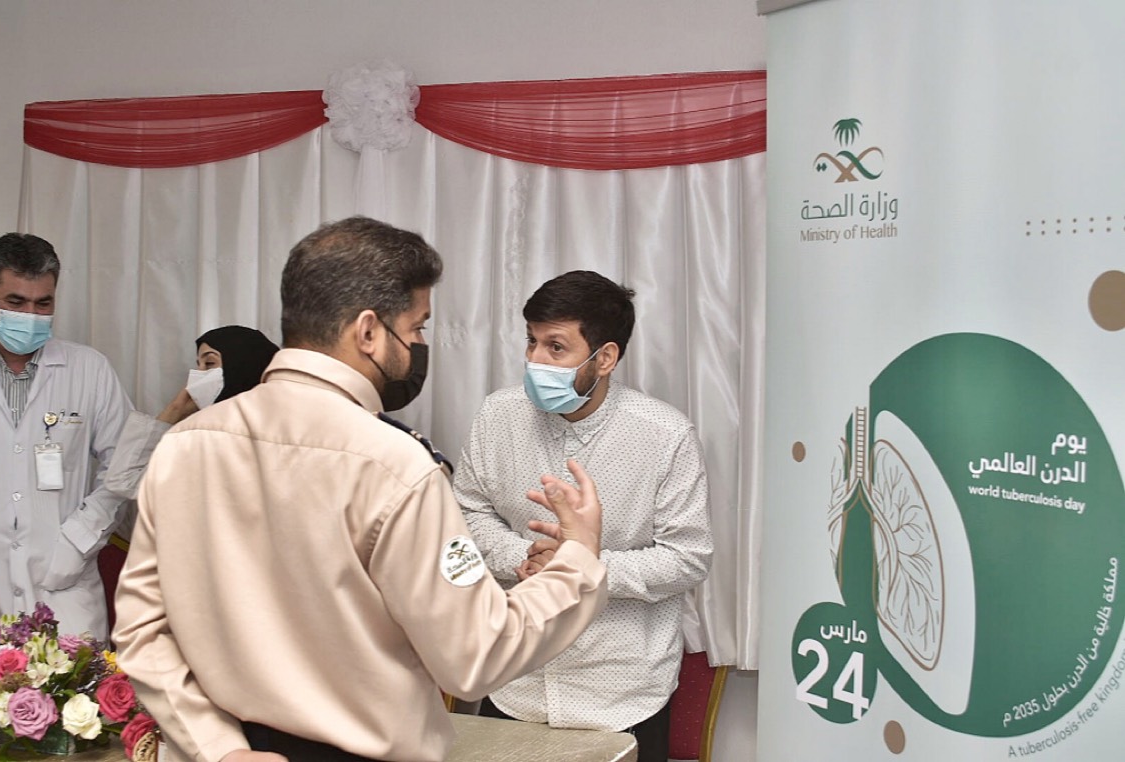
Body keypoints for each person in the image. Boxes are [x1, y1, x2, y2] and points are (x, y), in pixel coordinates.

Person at [113, 216, 609, 762]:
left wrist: (218, 748)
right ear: (369, 331)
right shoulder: (397, 467)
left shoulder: (184, 445)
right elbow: (476, 654)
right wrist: (577, 559)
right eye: (417, 327)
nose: (419, 344)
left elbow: (142, 630)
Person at [454, 269, 714, 762]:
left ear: (605, 358)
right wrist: (523, 557)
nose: (535, 360)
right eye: (531, 342)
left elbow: (687, 558)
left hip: (620, 692)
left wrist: (580, 565)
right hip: (515, 677)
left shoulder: (665, 435)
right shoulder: (497, 414)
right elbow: (468, 513)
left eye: (556, 347)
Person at [0, 232, 132, 641]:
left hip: (65, 588)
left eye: (43, 303)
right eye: (16, 302)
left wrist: (79, 540)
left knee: (71, 681)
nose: (31, 315)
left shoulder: (89, 369)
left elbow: (124, 465)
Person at [104, 325, 279, 502]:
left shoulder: (277, 435)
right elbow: (124, 481)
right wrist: (175, 409)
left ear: (242, 365)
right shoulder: (200, 438)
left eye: (209, 364)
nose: (198, 375)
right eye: (198, 365)